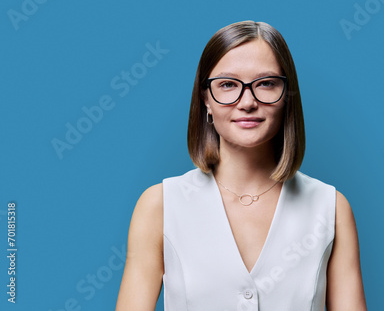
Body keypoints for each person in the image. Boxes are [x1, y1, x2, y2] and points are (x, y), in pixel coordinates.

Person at [116, 20, 367, 310]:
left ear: (287, 95)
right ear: (205, 99)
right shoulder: (159, 206)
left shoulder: (331, 208)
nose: (247, 102)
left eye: (266, 84)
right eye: (227, 84)